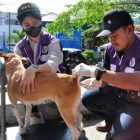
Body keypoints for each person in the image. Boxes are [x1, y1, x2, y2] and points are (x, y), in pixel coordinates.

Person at [72, 9, 140, 140]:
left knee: (120, 136)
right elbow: (105, 76)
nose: (111, 40)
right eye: (109, 36)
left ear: (129, 30)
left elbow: (137, 82)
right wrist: (97, 80)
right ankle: (112, 120)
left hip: (136, 101)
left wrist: (96, 72)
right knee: (88, 99)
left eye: (114, 35)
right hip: (118, 95)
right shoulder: (109, 49)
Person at [6, 2, 63, 125]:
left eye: (35, 23)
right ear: (22, 26)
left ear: (41, 21)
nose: (32, 27)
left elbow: (53, 63)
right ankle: (33, 115)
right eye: (26, 24)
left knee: (55, 119)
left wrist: (34, 68)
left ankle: (64, 118)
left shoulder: (52, 41)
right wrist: (9, 68)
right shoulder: (19, 47)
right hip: (32, 88)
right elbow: (16, 68)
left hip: (54, 86)